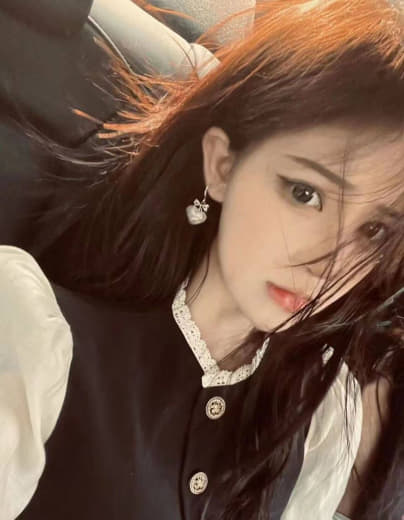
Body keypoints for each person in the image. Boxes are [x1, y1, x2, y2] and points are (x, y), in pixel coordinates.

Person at [1, 0, 404, 519]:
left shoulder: (318, 423)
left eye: (372, 231)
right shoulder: (38, 343)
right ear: (222, 165)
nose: (328, 263)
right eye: (305, 195)